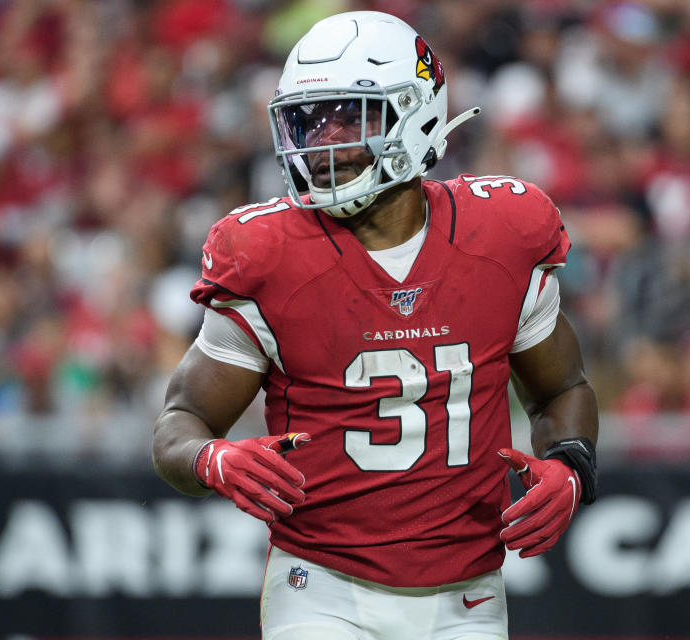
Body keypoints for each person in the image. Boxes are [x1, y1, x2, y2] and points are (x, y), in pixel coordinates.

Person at [152, 11, 599, 640]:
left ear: (415, 115)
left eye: (349, 116)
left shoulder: (501, 235)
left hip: (466, 594)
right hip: (320, 587)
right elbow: (179, 420)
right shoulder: (268, 254)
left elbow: (563, 388)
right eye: (310, 120)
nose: (322, 140)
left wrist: (572, 463)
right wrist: (212, 459)